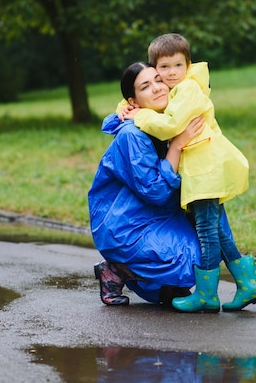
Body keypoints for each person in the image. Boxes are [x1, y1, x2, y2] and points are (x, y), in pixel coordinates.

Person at [117, 34, 256, 313]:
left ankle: (207, 294)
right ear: (154, 69)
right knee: (219, 231)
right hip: (199, 173)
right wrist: (126, 108)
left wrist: (139, 116)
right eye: (164, 68)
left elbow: (170, 125)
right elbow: (153, 104)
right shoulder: (174, 90)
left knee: (207, 231)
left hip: (205, 171)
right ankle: (248, 284)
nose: (171, 73)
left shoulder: (188, 90)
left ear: (188, 65)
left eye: (177, 65)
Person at [89, 61, 215, 307]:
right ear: (133, 102)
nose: (158, 88)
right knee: (194, 258)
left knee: (211, 233)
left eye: (159, 80)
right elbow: (156, 191)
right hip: (125, 226)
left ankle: (168, 286)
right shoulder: (132, 135)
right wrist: (177, 145)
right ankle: (117, 270)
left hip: (155, 217)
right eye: (146, 86)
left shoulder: (164, 122)